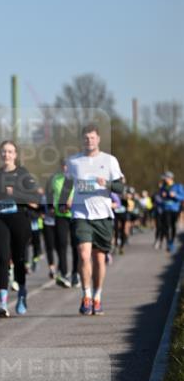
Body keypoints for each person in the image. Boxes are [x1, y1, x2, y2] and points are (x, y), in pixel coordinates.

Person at [64, 125, 124, 315]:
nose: (89, 141)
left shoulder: (109, 160)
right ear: (82, 140)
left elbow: (121, 187)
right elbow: (67, 183)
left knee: (99, 259)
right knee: (83, 255)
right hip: (81, 215)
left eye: (92, 138)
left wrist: (106, 183)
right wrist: (66, 197)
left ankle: (97, 297)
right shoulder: (74, 161)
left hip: (103, 216)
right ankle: (86, 295)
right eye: (86, 138)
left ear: (98, 139)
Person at [0, 141, 39, 317]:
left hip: (19, 219)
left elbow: (34, 198)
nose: (6, 155)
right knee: (3, 259)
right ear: (0, 154)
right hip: (0, 219)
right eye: (4, 152)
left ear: (15, 155)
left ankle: (22, 294)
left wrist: (14, 194)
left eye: (10, 152)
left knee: (18, 259)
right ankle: (2, 302)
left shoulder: (23, 174)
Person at [155, 171, 183, 253]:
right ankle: (168, 242)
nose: (164, 180)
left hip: (175, 209)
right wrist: (162, 196)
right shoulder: (163, 187)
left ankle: (172, 241)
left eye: (165, 178)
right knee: (166, 225)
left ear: (170, 178)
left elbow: (182, 197)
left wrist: (175, 195)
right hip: (165, 209)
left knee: (173, 226)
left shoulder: (178, 186)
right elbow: (158, 198)